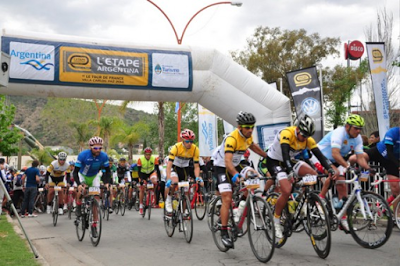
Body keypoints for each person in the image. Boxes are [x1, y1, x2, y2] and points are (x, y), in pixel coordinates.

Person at [266, 114, 335, 238]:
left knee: (313, 174)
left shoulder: (308, 139)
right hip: (275, 161)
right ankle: (276, 221)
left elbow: (320, 156)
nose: (304, 139)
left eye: (307, 136)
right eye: (303, 135)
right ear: (297, 129)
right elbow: (285, 154)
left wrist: (329, 168)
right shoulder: (287, 133)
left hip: (290, 161)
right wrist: (290, 172)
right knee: (286, 190)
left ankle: (302, 202)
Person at [212, 111, 269, 247]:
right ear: (240, 127)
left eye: (252, 127)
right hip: (222, 167)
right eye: (247, 127)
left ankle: (239, 209)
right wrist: (236, 175)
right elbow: (227, 162)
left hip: (237, 164)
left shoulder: (247, 136)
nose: (250, 130)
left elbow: (254, 147)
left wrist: (269, 157)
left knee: (253, 176)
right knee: (227, 196)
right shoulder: (232, 139)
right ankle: (224, 231)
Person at [317, 114, 372, 231]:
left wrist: (368, 168)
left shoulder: (357, 138)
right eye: (356, 128)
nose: (358, 131)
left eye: (360, 129)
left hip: (336, 159)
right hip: (321, 156)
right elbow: (335, 153)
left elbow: (360, 157)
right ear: (347, 126)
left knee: (342, 185)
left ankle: (343, 218)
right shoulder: (339, 133)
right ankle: (320, 198)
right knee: (335, 173)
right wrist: (347, 166)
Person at [351, 127, 399, 210]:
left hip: (392, 160)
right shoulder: (393, 132)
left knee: (396, 190)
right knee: (354, 158)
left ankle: (395, 216)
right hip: (379, 151)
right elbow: (389, 152)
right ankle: (349, 168)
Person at [165, 129, 202, 213]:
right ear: (183, 140)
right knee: (174, 182)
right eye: (187, 141)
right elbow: (169, 165)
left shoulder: (195, 149)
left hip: (185, 169)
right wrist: (168, 178)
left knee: (186, 191)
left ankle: (183, 210)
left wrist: (197, 177)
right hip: (175, 167)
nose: (189, 143)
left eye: (191, 141)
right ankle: (169, 198)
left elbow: (196, 166)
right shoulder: (176, 147)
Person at [137, 147, 160, 214]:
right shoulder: (140, 159)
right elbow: (139, 171)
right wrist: (141, 180)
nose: (148, 156)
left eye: (149, 154)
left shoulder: (154, 159)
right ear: (144, 154)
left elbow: (157, 170)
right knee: (142, 188)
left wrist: (159, 179)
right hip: (142, 174)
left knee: (155, 181)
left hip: (151, 172)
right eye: (147, 154)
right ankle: (141, 206)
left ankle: (152, 192)